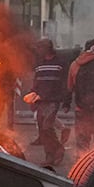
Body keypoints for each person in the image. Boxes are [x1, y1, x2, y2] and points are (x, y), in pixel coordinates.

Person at [25, 39, 70, 168]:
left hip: (53, 101)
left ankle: (58, 150)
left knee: (47, 127)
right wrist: (32, 96)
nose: (38, 51)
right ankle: (50, 155)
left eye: (40, 48)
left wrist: (66, 101)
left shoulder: (59, 64)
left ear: (47, 49)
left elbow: (65, 85)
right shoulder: (39, 66)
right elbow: (36, 84)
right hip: (40, 101)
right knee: (42, 130)